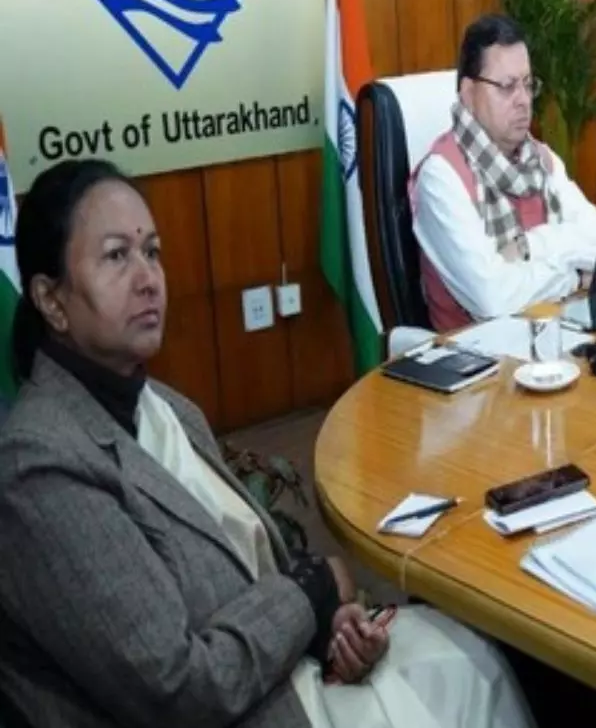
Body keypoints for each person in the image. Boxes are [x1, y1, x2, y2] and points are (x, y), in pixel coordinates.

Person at [0, 160, 536, 728]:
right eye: (116, 256)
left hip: (288, 671)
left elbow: (252, 565)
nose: (148, 278)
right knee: (469, 681)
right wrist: (311, 592)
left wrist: (332, 626)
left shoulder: (165, 408)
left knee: (476, 658)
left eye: (152, 252)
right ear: (51, 300)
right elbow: (179, 691)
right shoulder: (40, 468)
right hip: (250, 712)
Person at [413, 13, 596, 332]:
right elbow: (493, 299)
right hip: (479, 355)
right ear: (468, 93)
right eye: (507, 87)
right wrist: (573, 276)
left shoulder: (541, 159)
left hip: (558, 337)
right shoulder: (441, 178)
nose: (523, 101)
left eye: (528, 85)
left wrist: (529, 247)